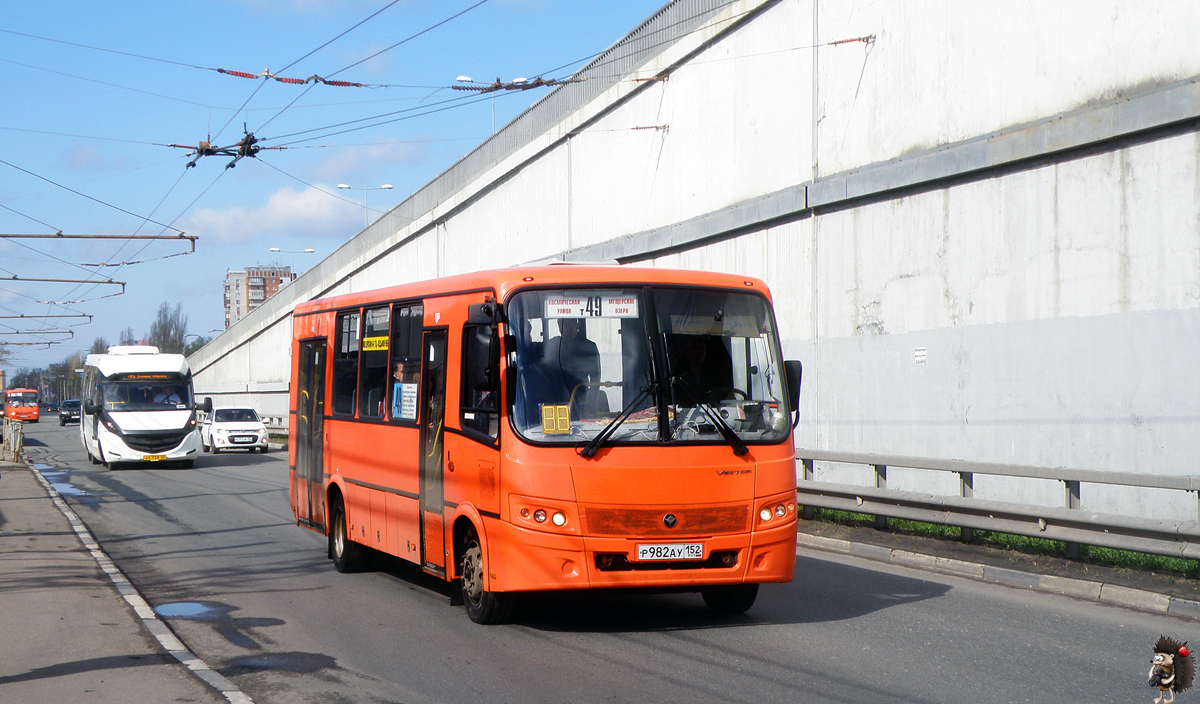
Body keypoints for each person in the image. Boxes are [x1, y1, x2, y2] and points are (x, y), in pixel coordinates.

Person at [542, 318, 602, 416]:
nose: (565, 328)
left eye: (569, 325)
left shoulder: (588, 347)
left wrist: (591, 405)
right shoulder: (553, 345)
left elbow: (596, 378)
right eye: (562, 325)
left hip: (581, 398)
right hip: (556, 399)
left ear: (577, 326)